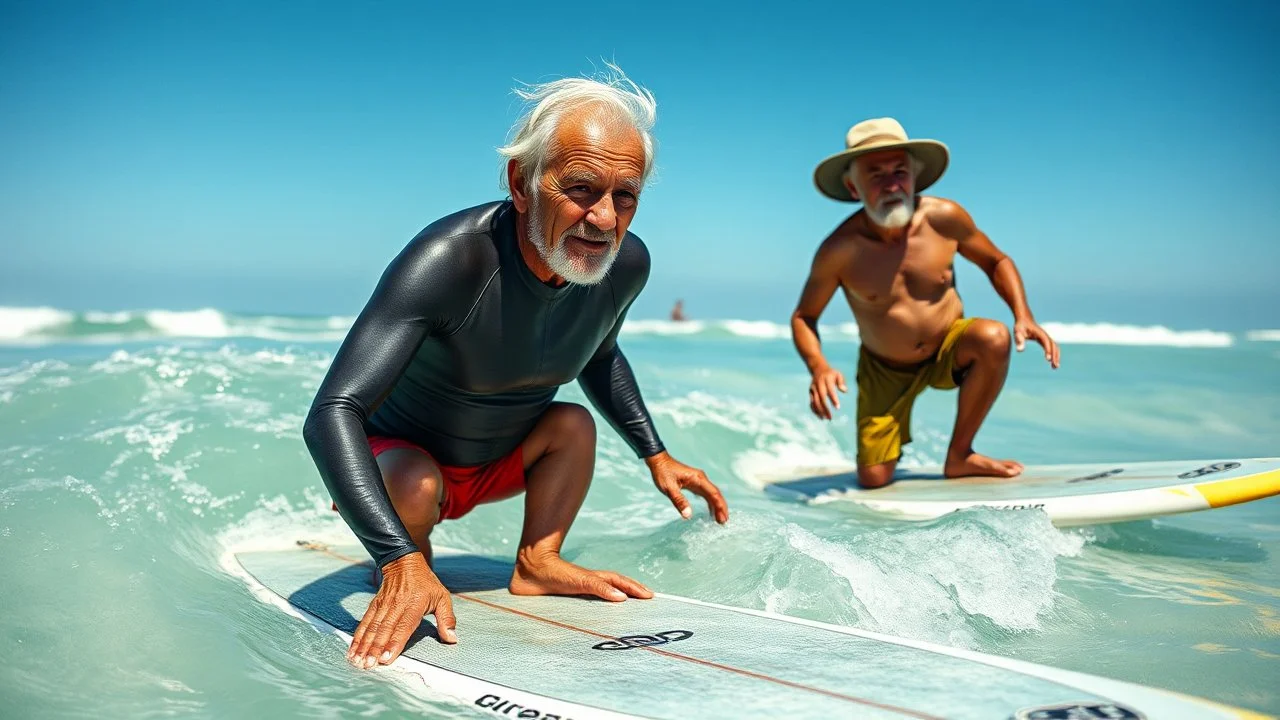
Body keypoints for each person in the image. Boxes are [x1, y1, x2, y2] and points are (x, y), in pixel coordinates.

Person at [302, 66, 729, 672]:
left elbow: (599, 354)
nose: (604, 218)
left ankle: (539, 562)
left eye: (624, 195)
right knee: (414, 484)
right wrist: (397, 555)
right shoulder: (451, 259)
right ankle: (401, 561)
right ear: (522, 183)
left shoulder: (625, 266)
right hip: (405, 467)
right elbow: (331, 413)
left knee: (572, 425)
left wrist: (655, 453)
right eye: (580, 188)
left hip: (500, 459)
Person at [791, 117, 1060, 489]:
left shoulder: (944, 219)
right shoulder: (839, 250)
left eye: (900, 171)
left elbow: (996, 260)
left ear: (915, 177)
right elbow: (805, 316)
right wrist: (818, 367)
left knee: (993, 337)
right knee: (873, 479)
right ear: (854, 187)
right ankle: (888, 449)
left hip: (948, 347)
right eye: (876, 175)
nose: (891, 184)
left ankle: (961, 454)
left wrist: (1023, 313)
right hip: (884, 368)